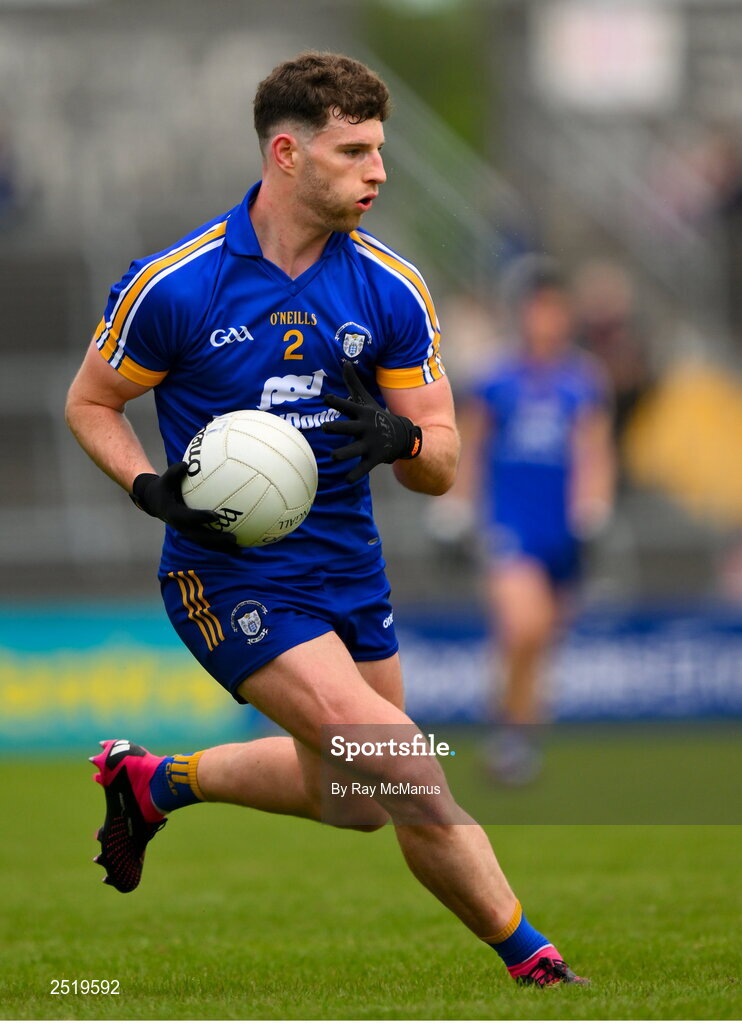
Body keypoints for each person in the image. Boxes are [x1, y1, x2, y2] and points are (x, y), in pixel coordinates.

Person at [65, 53, 587, 988]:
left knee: (355, 802)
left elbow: (444, 462)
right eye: (355, 151)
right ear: (287, 154)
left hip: (349, 573)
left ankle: (155, 782)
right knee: (409, 768)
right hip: (230, 577)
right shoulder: (178, 285)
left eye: (380, 150)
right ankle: (538, 964)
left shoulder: (391, 288)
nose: (379, 171)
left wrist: (398, 438)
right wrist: (149, 487)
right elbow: (90, 403)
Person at [451, 256, 615, 783]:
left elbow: (594, 452)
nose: (544, 318)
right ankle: (507, 732)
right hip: (509, 524)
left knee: (543, 641)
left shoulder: (582, 381)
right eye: (536, 308)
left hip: (561, 531)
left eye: (553, 308)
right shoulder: (496, 380)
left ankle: (517, 740)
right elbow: (470, 449)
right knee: (523, 625)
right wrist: (454, 508)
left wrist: (593, 512)